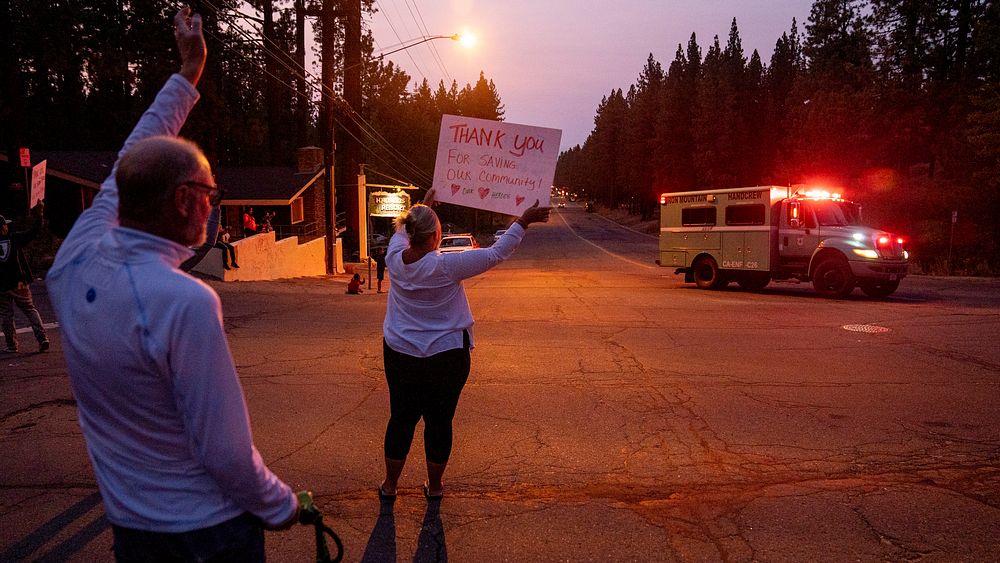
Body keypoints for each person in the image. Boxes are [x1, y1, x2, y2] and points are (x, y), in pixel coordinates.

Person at [46, 8, 299, 561]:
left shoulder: (73, 262)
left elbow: (130, 160)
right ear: (184, 200)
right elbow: (227, 453)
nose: (213, 203)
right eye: (210, 192)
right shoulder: (183, 302)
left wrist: (189, 73)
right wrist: (283, 506)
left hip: (133, 532)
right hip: (208, 534)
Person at [378, 188, 550, 499]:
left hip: (401, 352)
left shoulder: (393, 257)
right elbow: (496, 253)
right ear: (435, 237)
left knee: (401, 418)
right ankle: (435, 487)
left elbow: (402, 231)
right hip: (447, 355)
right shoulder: (446, 266)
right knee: (439, 421)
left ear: (412, 233)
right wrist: (522, 221)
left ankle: (390, 486)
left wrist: (424, 206)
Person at [0, 205, 50, 353]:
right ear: (3, 227)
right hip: (19, 283)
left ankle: (11, 345)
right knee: (29, 309)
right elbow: (33, 232)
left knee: (6, 316)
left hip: (2, 286)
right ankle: (42, 338)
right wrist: (39, 215)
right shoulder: (14, 238)